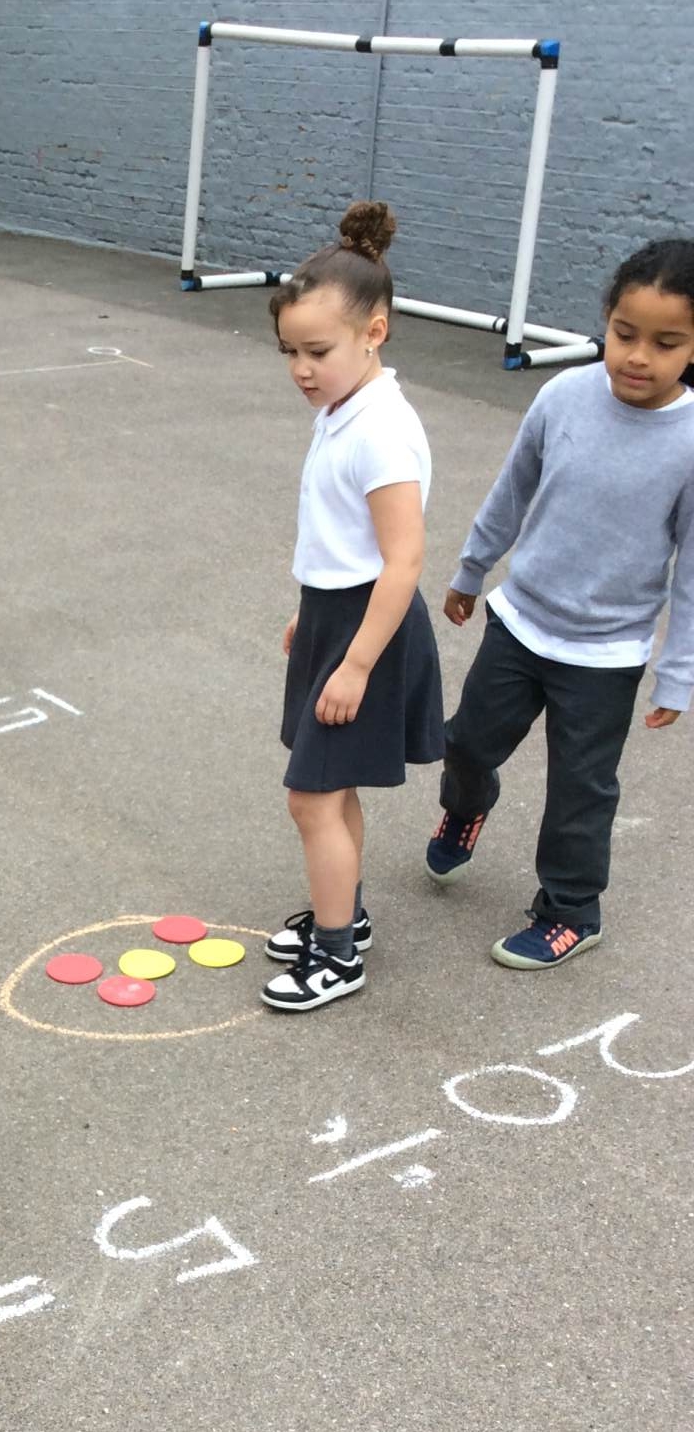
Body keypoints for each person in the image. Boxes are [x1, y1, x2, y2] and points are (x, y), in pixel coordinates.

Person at [427, 239, 694, 967]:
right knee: (466, 744)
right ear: (606, 320)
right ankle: (467, 807)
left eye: (666, 343)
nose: (639, 356)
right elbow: (512, 490)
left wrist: (676, 674)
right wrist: (471, 570)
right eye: (625, 334)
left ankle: (572, 910)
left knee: (581, 790)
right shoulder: (564, 396)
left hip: (605, 655)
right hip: (521, 623)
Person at [260, 202, 443, 1012]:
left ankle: (337, 957)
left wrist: (357, 661)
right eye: (290, 352)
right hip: (337, 615)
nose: (302, 369)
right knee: (331, 792)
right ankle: (347, 918)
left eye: (318, 351)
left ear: (375, 332)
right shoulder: (343, 408)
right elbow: (344, 537)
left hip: (372, 629)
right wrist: (315, 611)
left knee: (310, 798)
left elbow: (403, 560)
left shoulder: (382, 430)